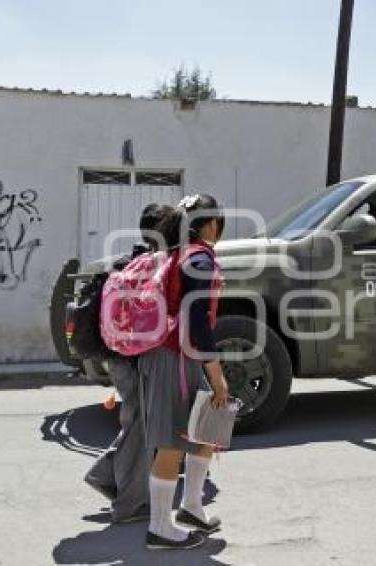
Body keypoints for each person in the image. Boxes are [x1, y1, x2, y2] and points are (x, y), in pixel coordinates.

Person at [139, 193, 229, 550]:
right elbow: (197, 320)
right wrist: (217, 374)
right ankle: (159, 527)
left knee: (204, 430)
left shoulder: (181, 253)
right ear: (211, 223)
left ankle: (191, 507)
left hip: (176, 354)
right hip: (176, 356)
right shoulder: (199, 258)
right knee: (174, 441)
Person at [84, 203, 174, 523]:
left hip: (117, 356)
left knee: (136, 423)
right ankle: (129, 504)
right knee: (140, 428)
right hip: (138, 359)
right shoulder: (156, 265)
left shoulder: (126, 261)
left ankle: (105, 473)